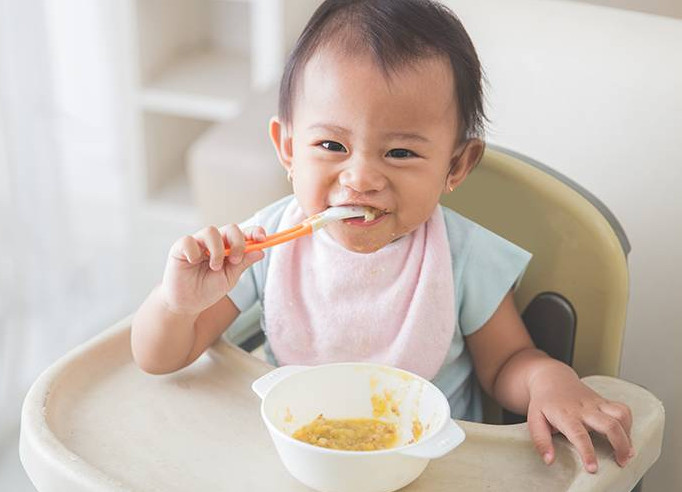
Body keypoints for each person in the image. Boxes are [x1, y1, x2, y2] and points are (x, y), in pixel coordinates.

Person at [131, 0, 634, 473]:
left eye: (400, 153)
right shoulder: (268, 245)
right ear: (288, 149)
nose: (362, 178)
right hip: (300, 464)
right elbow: (159, 358)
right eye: (332, 145)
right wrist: (178, 306)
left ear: (455, 166)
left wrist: (550, 382)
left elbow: (506, 363)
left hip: (431, 469)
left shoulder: (462, 258)